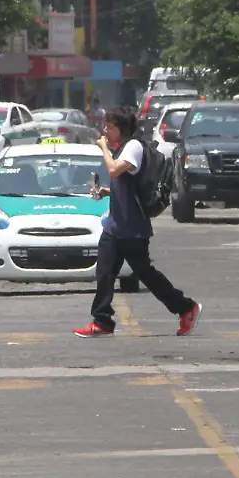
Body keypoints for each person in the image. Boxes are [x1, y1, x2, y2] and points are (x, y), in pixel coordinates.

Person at [75, 108, 199, 338]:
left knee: (146, 274)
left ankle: (186, 307)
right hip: (115, 227)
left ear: (121, 128)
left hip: (131, 228)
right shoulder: (125, 148)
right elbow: (124, 183)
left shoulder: (133, 147)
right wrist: (107, 192)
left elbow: (114, 170)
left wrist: (103, 148)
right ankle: (102, 321)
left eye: (109, 127)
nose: (105, 131)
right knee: (104, 272)